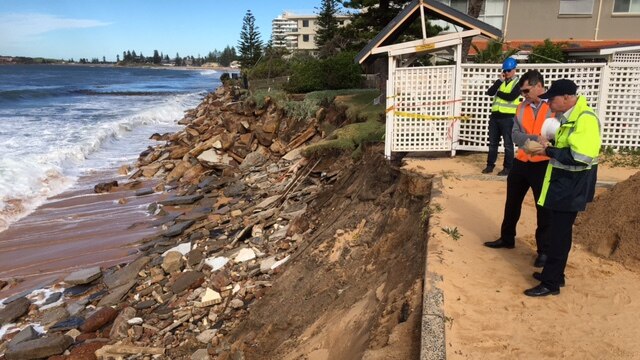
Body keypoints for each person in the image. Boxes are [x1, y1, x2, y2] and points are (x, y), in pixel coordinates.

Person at [523, 79, 601, 297]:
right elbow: (568, 147)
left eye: (552, 99)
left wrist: (547, 152)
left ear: (567, 97)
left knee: (559, 236)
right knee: (560, 234)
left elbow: (580, 157)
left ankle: (551, 283)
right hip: (563, 185)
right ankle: (555, 274)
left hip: (572, 188)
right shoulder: (569, 118)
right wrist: (550, 144)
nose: (549, 103)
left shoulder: (585, 120)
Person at [484, 70, 552, 268]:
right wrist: (533, 139)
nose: (523, 95)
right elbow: (514, 134)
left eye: (526, 90)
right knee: (512, 202)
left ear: (539, 85)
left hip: (544, 164)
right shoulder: (521, 108)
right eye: (522, 91)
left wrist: (541, 141)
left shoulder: (552, 108)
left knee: (543, 209)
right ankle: (507, 238)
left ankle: (544, 251)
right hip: (522, 161)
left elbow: (555, 134)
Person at [482, 57, 521, 176]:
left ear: (514, 70)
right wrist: (499, 82)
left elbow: (511, 97)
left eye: (508, 70)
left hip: (508, 118)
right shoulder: (501, 81)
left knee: (508, 144)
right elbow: (489, 92)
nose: (506, 73)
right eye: (504, 70)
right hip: (495, 117)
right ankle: (490, 166)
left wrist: (498, 92)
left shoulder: (517, 83)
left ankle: (508, 168)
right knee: (493, 143)